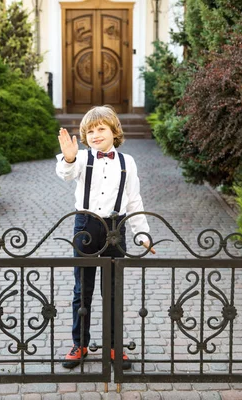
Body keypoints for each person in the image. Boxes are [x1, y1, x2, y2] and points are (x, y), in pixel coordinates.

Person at [56, 105, 155, 370]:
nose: (95, 134)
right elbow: (65, 174)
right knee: (82, 289)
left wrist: (142, 232)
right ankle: (80, 344)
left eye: (101, 129)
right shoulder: (80, 159)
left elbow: (134, 200)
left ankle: (113, 346)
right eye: (90, 131)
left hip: (115, 228)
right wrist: (67, 158)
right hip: (86, 226)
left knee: (112, 290)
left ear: (114, 132)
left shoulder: (127, 162)